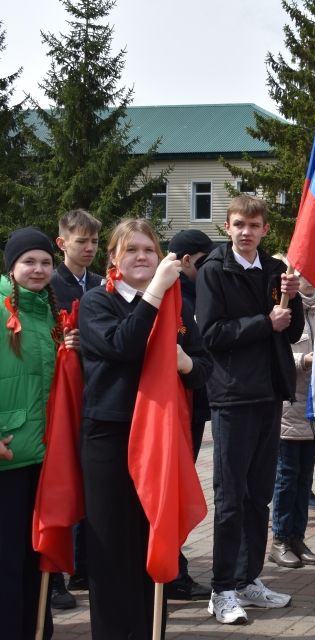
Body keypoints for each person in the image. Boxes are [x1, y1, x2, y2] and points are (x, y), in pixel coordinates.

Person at [79, 219, 211, 638]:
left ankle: (149, 629)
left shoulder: (177, 306)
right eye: (131, 250)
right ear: (113, 258)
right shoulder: (98, 303)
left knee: (151, 540)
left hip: (161, 438)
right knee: (111, 547)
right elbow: (123, 343)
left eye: (149, 250)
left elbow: (204, 365)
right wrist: (155, 291)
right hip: (111, 435)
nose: (141, 257)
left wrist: (187, 364)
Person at [196, 195, 304, 624]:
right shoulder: (213, 271)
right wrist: (265, 322)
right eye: (239, 224)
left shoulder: (276, 271)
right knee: (231, 498)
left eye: (254, 225)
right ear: (227, 227)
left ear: (265, 230)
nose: (246, 231)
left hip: (268, 393)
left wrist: (291, 302)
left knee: (259, 496)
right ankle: (221, 589)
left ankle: (247, 579)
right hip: (231, 396)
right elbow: (211, 334)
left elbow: (291, 332)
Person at [1, 227, 73, 640]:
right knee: (6, 566)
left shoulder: (50, 312)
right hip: (7, 459)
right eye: (29, 261)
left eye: (46, 262)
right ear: (11, 266)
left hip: (43, 459)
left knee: (34, 563)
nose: (39, 269)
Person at [49, 209, 103, 607]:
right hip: (60, 394)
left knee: (88, 480)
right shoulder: (50, 284)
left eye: (94, 241)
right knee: (60, 480)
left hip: (95, 393)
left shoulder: (102, 284)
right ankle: (53, 577)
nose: (88, 248)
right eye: (81, 241)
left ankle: (86, 565)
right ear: (61, 242)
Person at [164, 228, 214, 601]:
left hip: (192, 406)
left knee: (179, 490)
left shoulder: (195, 292)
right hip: (168, 412)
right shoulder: (170, 293)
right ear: (185, 261)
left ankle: (174, 568)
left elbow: (199, 356)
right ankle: (171, 572)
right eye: (203, 261)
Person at [268, 265, 315, 570]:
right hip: (291, 406)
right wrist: (304, 360)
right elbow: (273, 354)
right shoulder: (285, 307)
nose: (311, 278)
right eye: (305, 272)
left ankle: (297, 537)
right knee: (286, 478)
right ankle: (279, 540)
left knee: (305, 479)